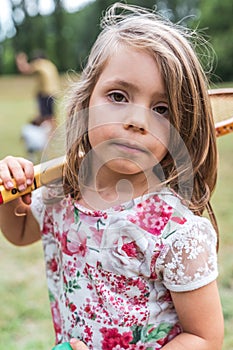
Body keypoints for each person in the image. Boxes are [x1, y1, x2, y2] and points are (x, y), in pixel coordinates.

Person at [0, 3, 224, 350]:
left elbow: (205, 337)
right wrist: (12, 195)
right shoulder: (63, 189)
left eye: (161, 109)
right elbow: (22, 231)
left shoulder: (176, 231)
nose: (137, 120)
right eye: (118, 96)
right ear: (86, 99)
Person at [16, 51, 60, 125]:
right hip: (54, 93)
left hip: (45, 93)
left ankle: (47, 134)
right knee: (52, 116)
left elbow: (25, 70)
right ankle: (52, 134)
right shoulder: (50, 64)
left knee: (45, 116)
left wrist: (21, 61)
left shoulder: (39, 63)